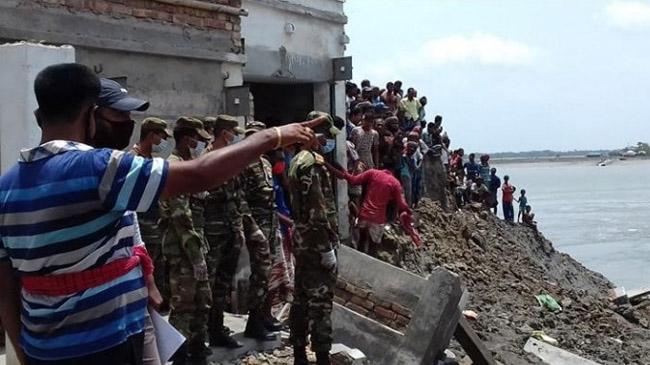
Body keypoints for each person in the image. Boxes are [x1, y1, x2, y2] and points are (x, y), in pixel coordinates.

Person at [0, 63, 323, 365]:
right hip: (106, 345)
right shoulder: (97, 169)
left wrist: (25, 352)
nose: (128, 125)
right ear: (91, 115)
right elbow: (198, 175)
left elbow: (6, 284)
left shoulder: (7, 186)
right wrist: (272, 136)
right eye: (120, 116)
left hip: (45, 347)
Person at [158, 116, 214, 364]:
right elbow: (181, 216)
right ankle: (180, 358)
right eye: (195, 138)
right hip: (183, 248)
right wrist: (195, 254)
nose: (198, 143)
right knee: (184, 306)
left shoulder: (188, 163)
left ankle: (198, 352)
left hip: (197, 243)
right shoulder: (174, 166)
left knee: (203, 302)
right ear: (185, 138)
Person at [288, 112, 340, 365]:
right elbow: (318, 211)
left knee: (300, 297)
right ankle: (322, 356)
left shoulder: (296, 160)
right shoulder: (312, 164)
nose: (326, 142)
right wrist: (326, 248)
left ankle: (299, 352)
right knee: (320, 303)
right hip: (315, 242)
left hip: (302, 238)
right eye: (326, 136)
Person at [203, 115, 246, 349]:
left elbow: (238, 193)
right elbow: (203, 192)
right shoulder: (208, 157)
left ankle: (217, 328)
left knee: (224, 281)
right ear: (223, 132)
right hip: (213, 229)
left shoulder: (229, 156)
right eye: (232, 131)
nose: (234, 136)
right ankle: (204, 332)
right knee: (209, 281)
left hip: (231, 226)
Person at [241, 121, 283, 332]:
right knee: (259, 274)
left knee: (269, 273)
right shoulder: (244, 164)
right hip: (256, 225)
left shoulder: (264, 162)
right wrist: (252, 228)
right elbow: (242, 201)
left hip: (270, 222)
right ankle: (254, 322)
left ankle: (264, 316)